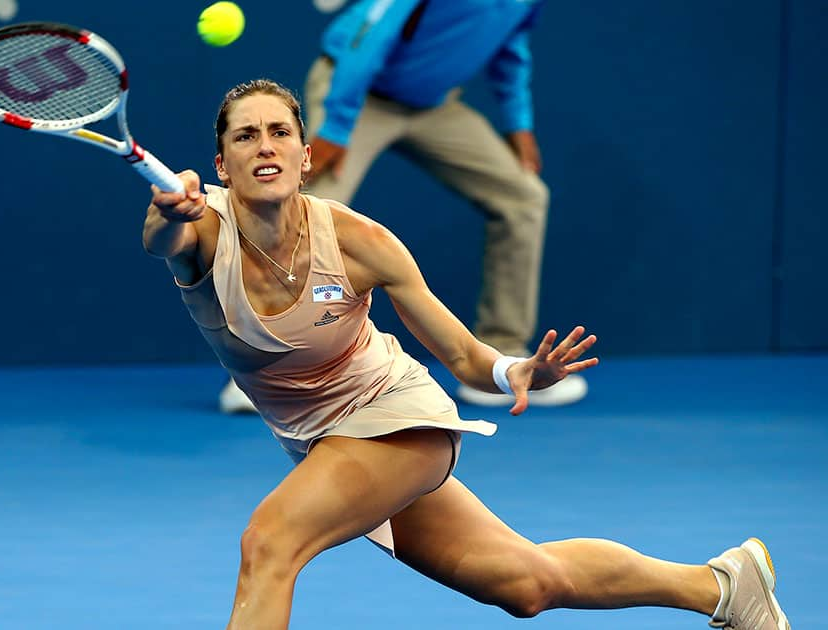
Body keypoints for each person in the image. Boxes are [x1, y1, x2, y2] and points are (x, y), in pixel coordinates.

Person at [143, 79, 790, 630]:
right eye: (246, 135)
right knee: (525, 584)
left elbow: (460, 351)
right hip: (321, 443)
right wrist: (170, 211)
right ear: (222, 164)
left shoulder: (361, 242)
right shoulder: (198, 225)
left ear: (306, 156)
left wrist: (517, 371)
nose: (265, 146)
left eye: (280, 132)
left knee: (270, 541)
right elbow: (159, 236)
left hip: (395, 418)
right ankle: (724, 585)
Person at [217, 0, 584, 415]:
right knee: (302, 210)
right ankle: (260, 369)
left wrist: (518, 121)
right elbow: (371, 37)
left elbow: (510, 46)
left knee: (524, 197)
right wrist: (337, 126)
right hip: (356, 92)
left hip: (433, 105)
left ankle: (501, 358)